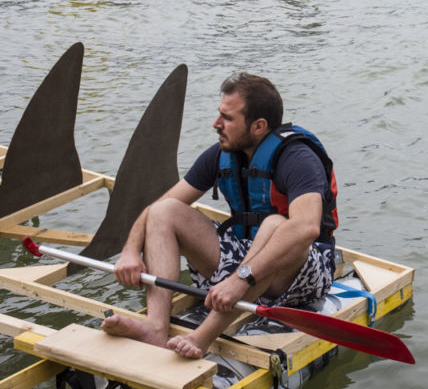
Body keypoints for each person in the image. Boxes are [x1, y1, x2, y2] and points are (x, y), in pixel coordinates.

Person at [101, 72, 338, 360]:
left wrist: (240, 279)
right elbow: (158, 207)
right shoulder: (222, 154)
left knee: (276, 225)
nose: (216, 124)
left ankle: (202, 337)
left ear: (259, 126)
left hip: (300, 274)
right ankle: (155, 325)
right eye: (219, 114)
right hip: (245, 257)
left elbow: (306, 228)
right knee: (165, 212)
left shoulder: (298, 158)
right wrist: (130, 250)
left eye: (227, 118)